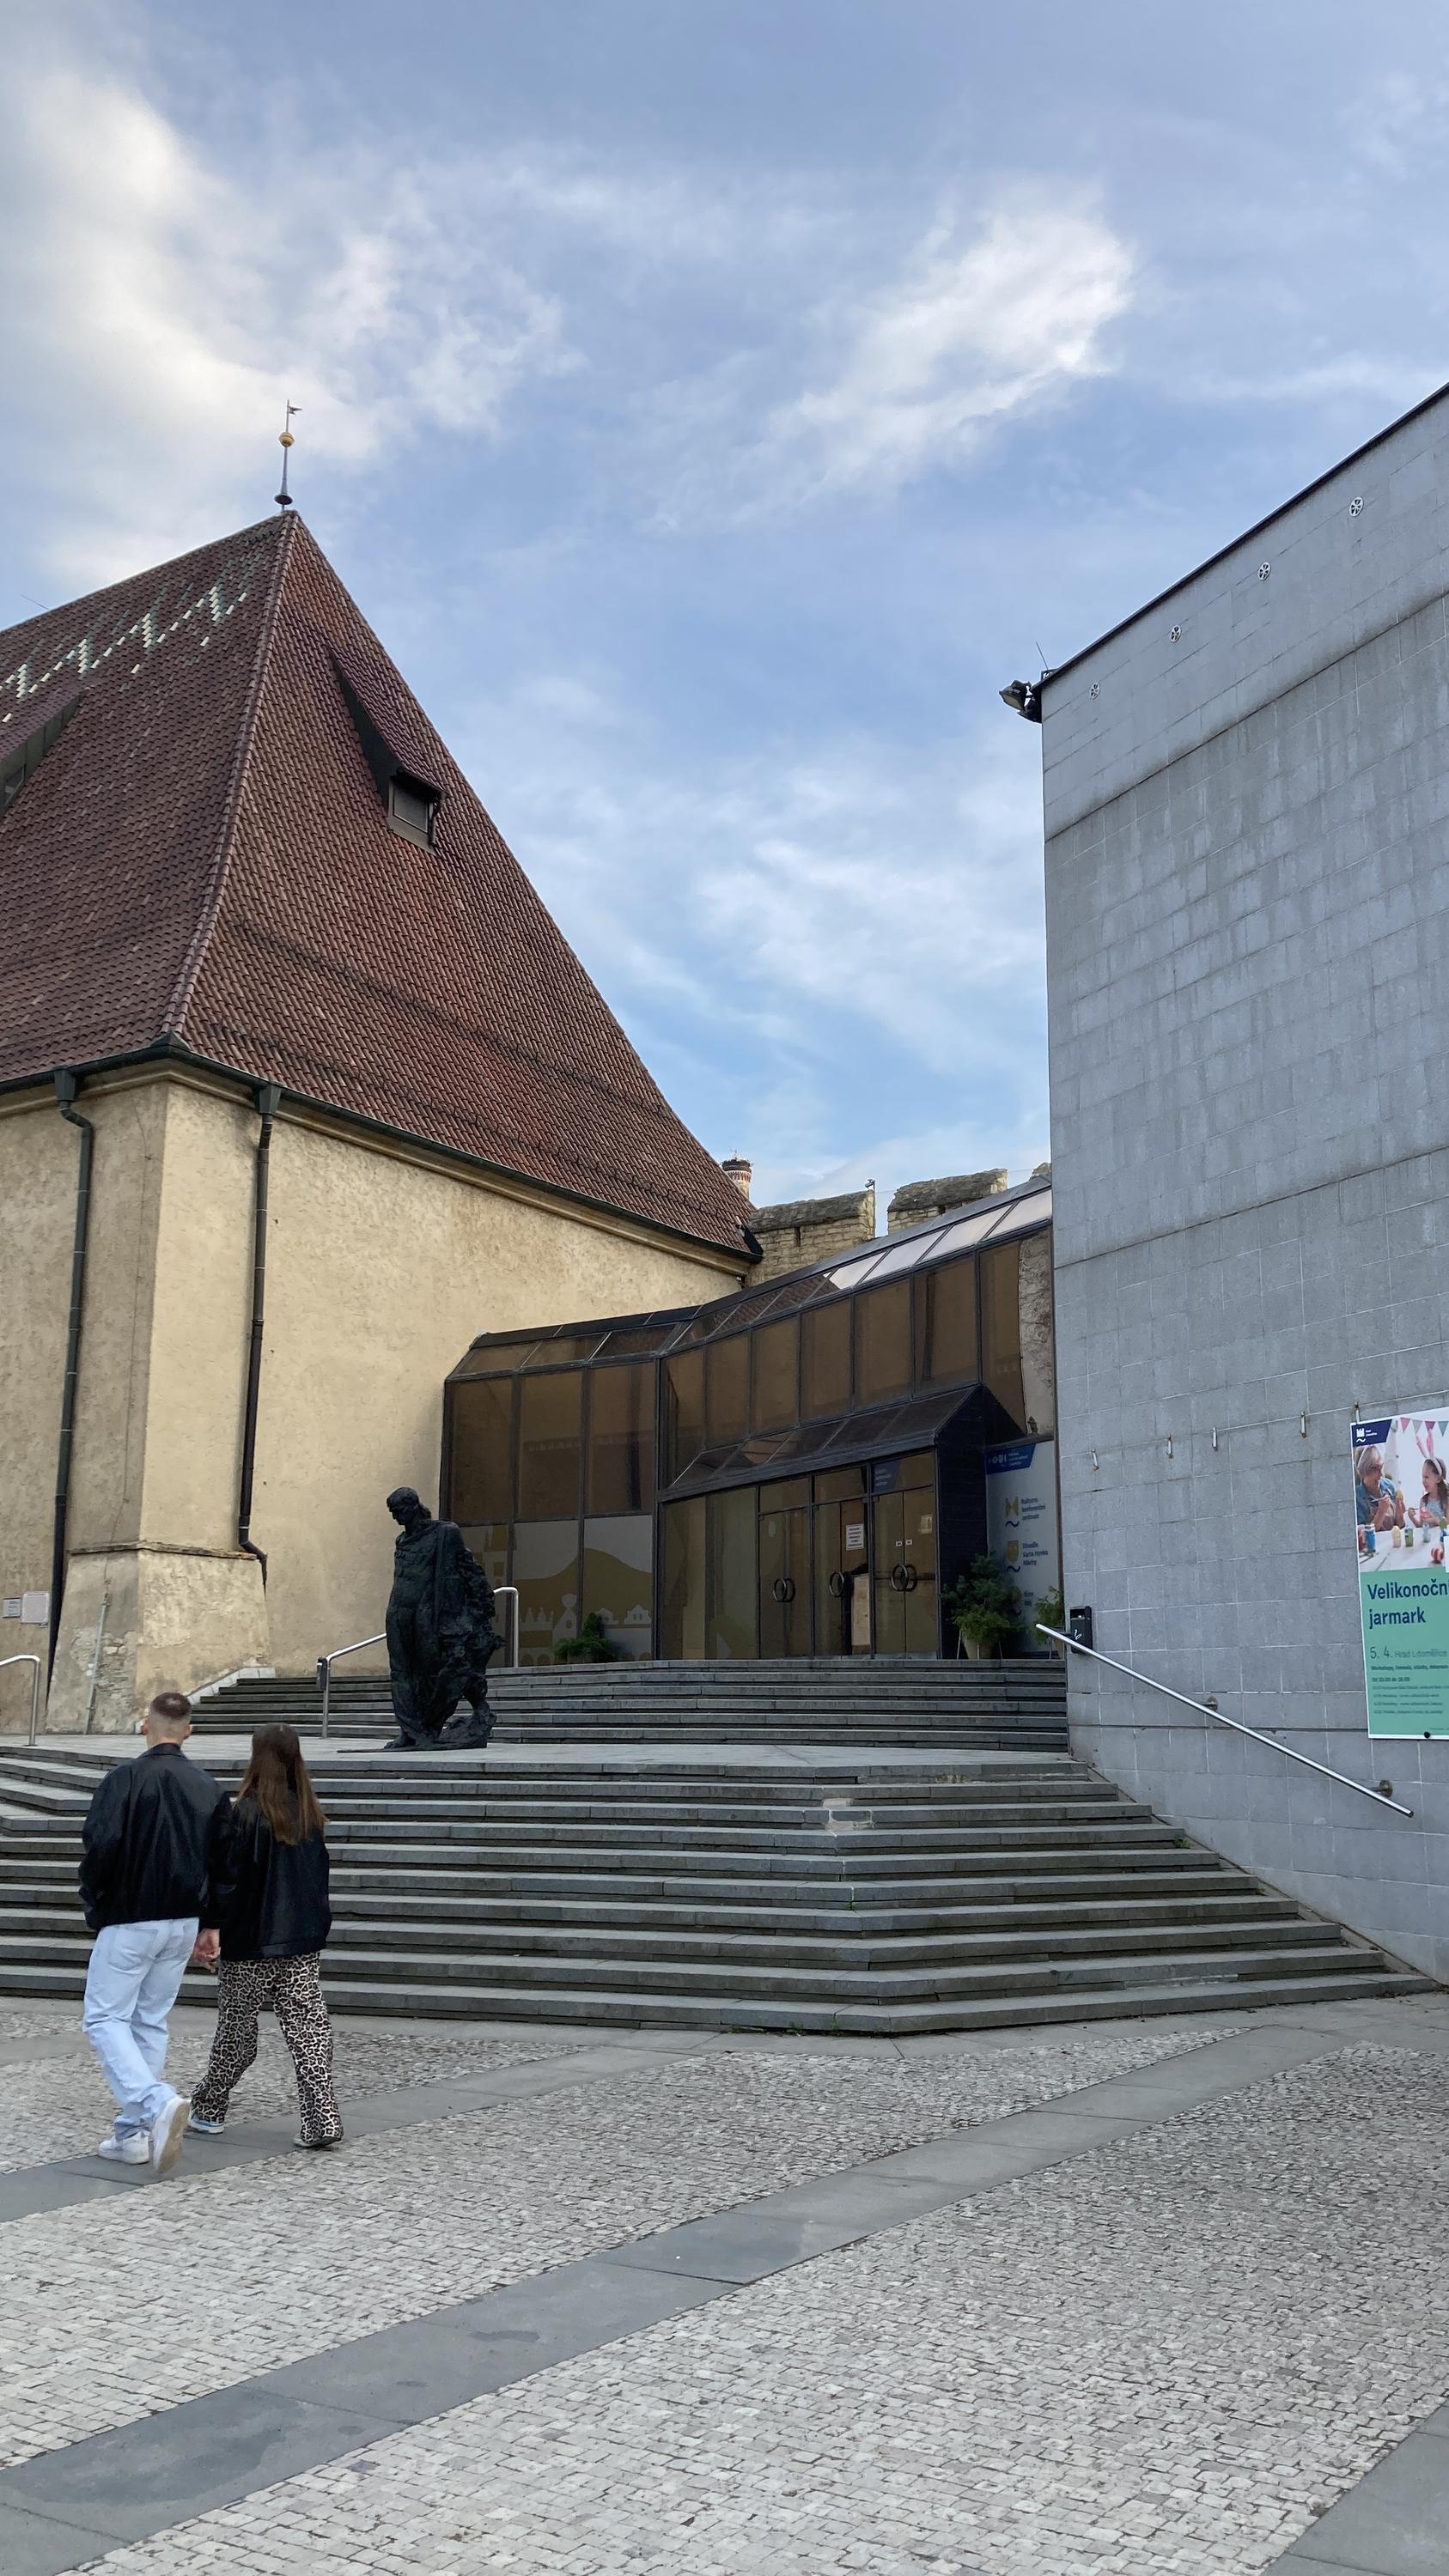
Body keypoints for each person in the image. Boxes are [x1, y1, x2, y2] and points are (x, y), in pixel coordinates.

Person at [79, 1690, 224, 2173]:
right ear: (189, 1731)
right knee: (150, 2020)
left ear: (146, 1726)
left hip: (132, 1914)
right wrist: (211, 1922)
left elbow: (100, 1844)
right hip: (182, 1919)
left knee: (105, 2018)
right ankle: (134, 2133)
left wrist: (96, 1900)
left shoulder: (125, 1779)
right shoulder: (207, 1786)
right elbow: (223, 1863)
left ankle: (152, 2102)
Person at [187, 1723, 344, 2150]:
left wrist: (211, 1926)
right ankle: (322, 2116)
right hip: (300, 1942)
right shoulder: (309, 1814)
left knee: (236, 2032)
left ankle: (210, 2106)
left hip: (250, 1943)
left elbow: (227, 1880)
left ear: (257, 1760)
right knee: (309, 2029)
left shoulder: (243, 1814)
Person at [384, 1485, 499, 1749]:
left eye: (398, 1511)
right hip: (397, 1612)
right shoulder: (402, 1540)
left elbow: (468, 1569)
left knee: (430, 1673)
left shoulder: (445, 1533)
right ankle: (409, 1730)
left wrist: (482, 1609)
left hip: (426, 1614)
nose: (395, 1517)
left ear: (413, 1507)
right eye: (392, 1512)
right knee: (400, 1673)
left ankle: (428, 1727)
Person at [1355, 1446, 1404, 1536]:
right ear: (1363, 1471)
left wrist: (1400, 1515)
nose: (1381, 1474)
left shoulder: (1389, 1486)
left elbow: (1399, 1527)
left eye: (1381, 1468)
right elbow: (1362, 1535)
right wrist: (1381, 1512)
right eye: (1375, 1469)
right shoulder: (1357, 1497)